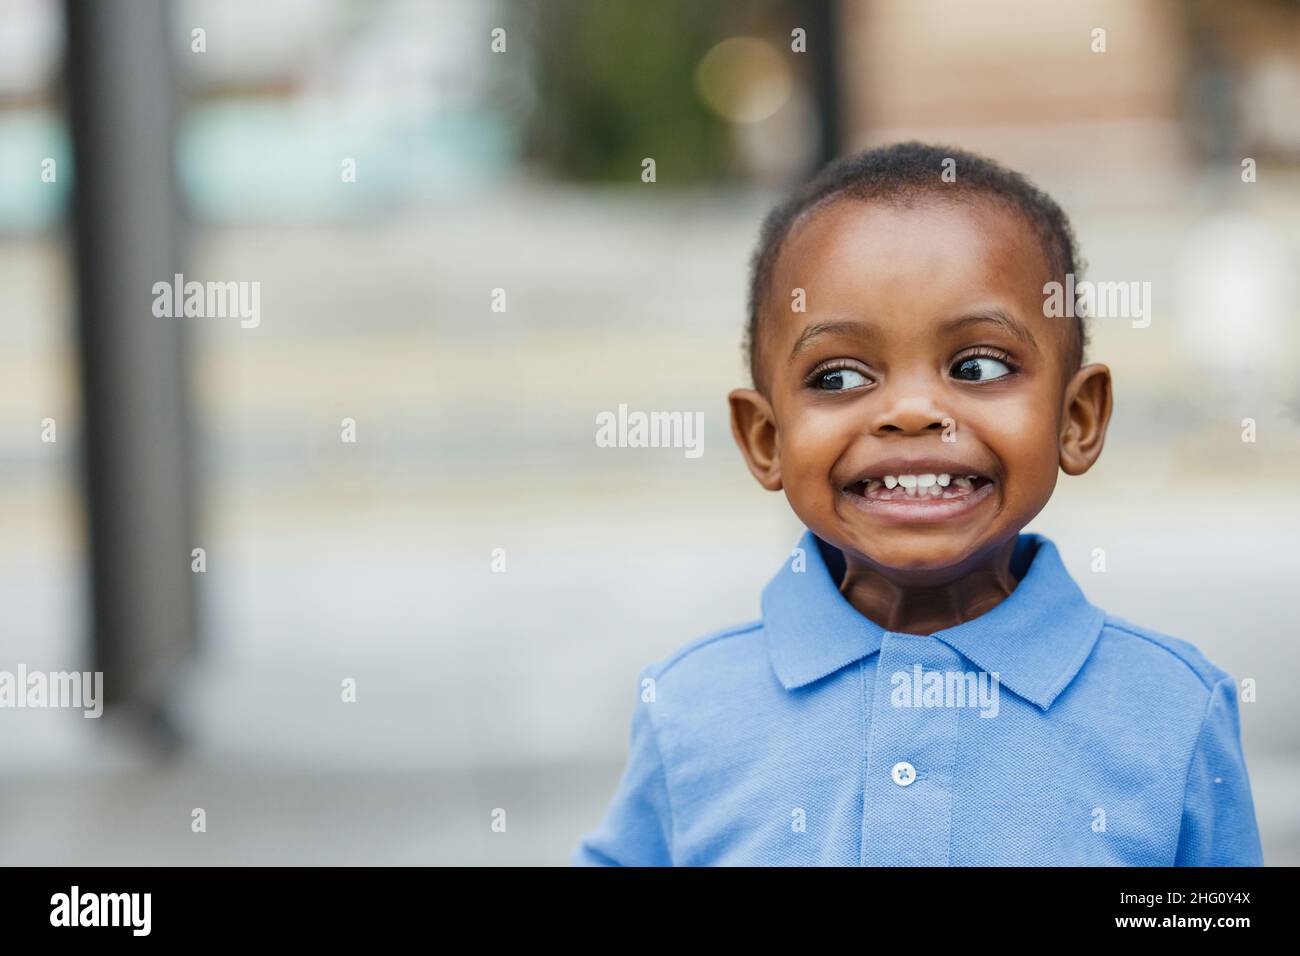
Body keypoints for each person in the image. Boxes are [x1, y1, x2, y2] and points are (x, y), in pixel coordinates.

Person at [570, 142, 1264, 866]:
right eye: (838, 377)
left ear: (1077, 419)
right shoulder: (690, 710)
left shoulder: (1173, 711)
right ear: (765, 438)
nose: (911, 412)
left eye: (979, 366)